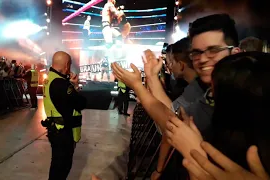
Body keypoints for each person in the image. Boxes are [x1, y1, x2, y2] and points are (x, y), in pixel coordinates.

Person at [111, 13, 241, 179]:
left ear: (236, 53)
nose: (202, 59)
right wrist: (149, 78)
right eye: (196, 53)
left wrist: (139, 86)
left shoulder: (251, 92)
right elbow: (172, 119)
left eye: (213, 51)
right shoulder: (209, 93)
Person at [41, 51, 87, 180]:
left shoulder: (50, 78)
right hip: (63, 132)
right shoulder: (61, 84)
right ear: (67, 65)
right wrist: (75, 86)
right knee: (62, 167)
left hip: (55, 128)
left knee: (57, 165)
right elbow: (81, 103)